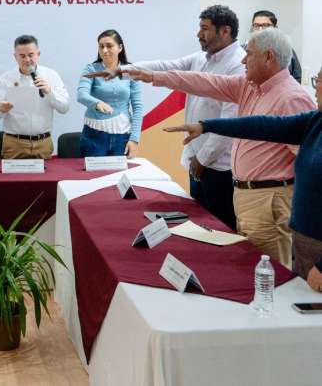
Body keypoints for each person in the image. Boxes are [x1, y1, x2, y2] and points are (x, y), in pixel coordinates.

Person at [125, 28, 316, 267]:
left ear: (269, 57)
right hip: (248, 196)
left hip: (269, 200)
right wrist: (154, 76)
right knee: (251, 268)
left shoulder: (292, 98)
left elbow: (309, 164)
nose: (244, 60)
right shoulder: (249, 86)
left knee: (270, 273)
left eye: (250, 54)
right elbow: (205, 81)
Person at [85, 5, 245, 230]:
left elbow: (228, 124)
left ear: (225, 31)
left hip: (218, 165)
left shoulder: (238, 64)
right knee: (200, 225)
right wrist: (122, 70)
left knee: (220, 228)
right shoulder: (202, 57)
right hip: (198, 159)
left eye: (205, 29)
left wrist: (204, 159)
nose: (198, 34)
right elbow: (165, 66)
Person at [165, 66, 322, 291]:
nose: (314, 89)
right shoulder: (315, 121)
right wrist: (206, 126)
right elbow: (262, 125)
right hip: (305, 241)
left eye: (319, 81)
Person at [0, 35, 69, 159]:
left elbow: (64, 108)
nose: (27, 59)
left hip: (43, 143)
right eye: (22, 56)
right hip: (14, 144)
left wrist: (50, 92)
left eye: (31, 55)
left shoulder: (51, 76)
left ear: (38, 54)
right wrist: (0, 109)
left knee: (47, 172)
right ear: (15, 56)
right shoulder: (5, 79)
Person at [77, 29, 142, 158]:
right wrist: (97, 103)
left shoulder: (131, 71)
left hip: (123, 136)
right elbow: (81, 95)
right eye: (101, 46)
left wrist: (134, 139)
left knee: (119, 171)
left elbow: (138, 106)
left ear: (120, 48)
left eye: (109, 46)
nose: (104, 50)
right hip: (94, 135)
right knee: (95, 171)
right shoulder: (91, 69)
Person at [248, 10, 302, 83]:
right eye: (256, 26)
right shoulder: (244, 50)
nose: (260, 30)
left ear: (275, 28)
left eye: (265, 26)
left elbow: (297, 78)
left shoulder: (285, 51)